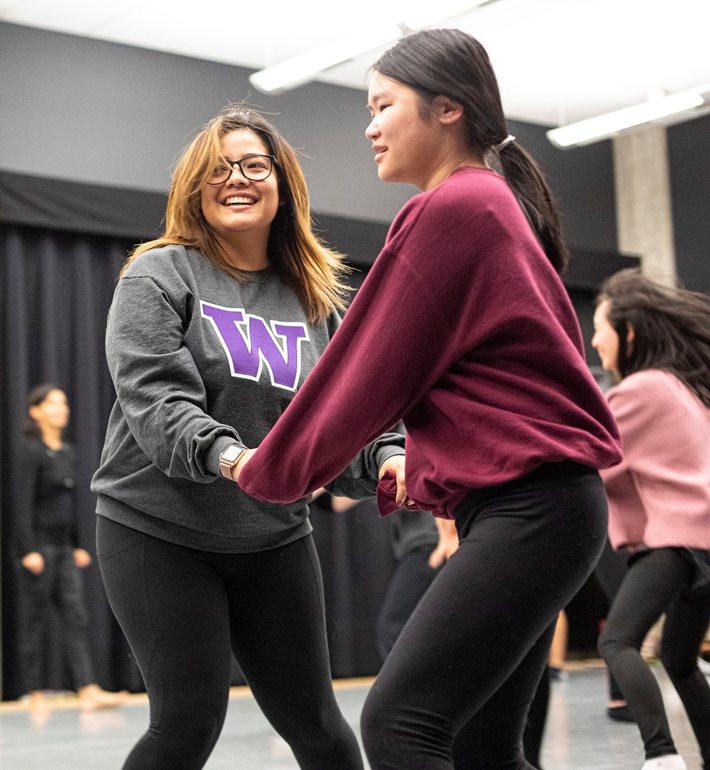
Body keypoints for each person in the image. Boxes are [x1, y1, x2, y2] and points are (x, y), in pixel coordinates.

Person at [237, 28, 622, 770]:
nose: (369, 126)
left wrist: (266, 472)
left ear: (447, 109)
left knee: (400, 725)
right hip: (545, 506)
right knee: (483, 748)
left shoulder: (453, 209)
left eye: (383, 105)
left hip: (532, 509)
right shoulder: (493, 203)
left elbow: (363, 371)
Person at [90, 105, 406, 770]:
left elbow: (355, 412)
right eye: (217, 169)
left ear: (281, 184)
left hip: (271, 535)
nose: (236, 178)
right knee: (188, 720)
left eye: (254, 165)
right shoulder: (160, 275)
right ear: (194, 190)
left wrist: (389, 456)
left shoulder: (315, 299)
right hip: (158, 529)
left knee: (320, 726)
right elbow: (155, 400)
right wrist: (234, 458)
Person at [592, 268, 710, 770]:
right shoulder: (677, 388)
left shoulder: (638, 392)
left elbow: (590, 459)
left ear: (630, 333)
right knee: (680, 658)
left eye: (599, 328)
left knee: (617, 642)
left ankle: (662, 757)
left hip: (675, 543)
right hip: (703, 547)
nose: (594, 341)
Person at [12, 384, 128, 712]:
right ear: (36, 411)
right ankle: (32, 692)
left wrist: (77, 545)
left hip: (63, 549)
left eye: (63, 403)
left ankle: (88, 689)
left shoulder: (67, 452)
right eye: (53, 403)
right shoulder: (29, 450)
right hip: (38, 549)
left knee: (76, 617)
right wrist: (28, 550)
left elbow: (70, 504)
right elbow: (21, 504)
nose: (61, 409)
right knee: (34, 621)